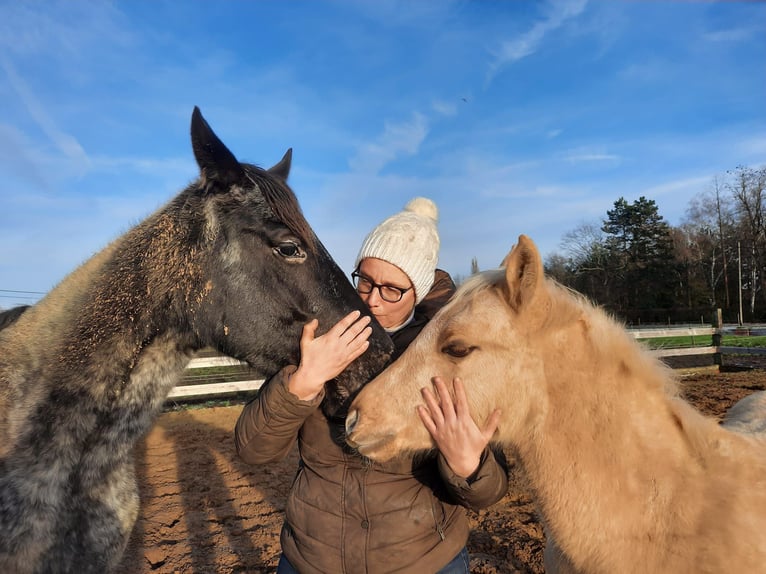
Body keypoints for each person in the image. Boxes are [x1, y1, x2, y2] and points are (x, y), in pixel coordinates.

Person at [235, 198, 508, 574]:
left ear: (418, 291)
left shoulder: (450, 356)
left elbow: (487, 492)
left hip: (422, 561)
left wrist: (469, 466)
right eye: (364, 280)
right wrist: (303, 382)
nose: (372, 299)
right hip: (313, 559)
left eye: (392, 289)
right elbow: (254, 450)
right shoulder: (316, 340)